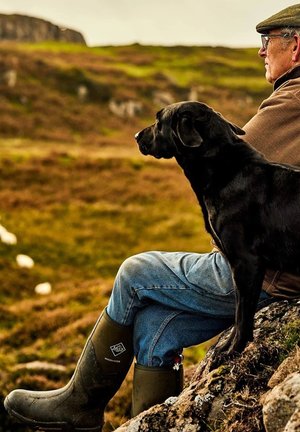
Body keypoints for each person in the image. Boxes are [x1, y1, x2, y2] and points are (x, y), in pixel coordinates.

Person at [4, 4, 300, 431]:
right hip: (281, 265)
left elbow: (234, 165)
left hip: (272, 275)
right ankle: (144, 422)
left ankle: (78, 404)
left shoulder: (292, 99)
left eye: (267, 41)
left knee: (135, 273)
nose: (261, 52)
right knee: (154, 326)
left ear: (296, 46)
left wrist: (183, 134)